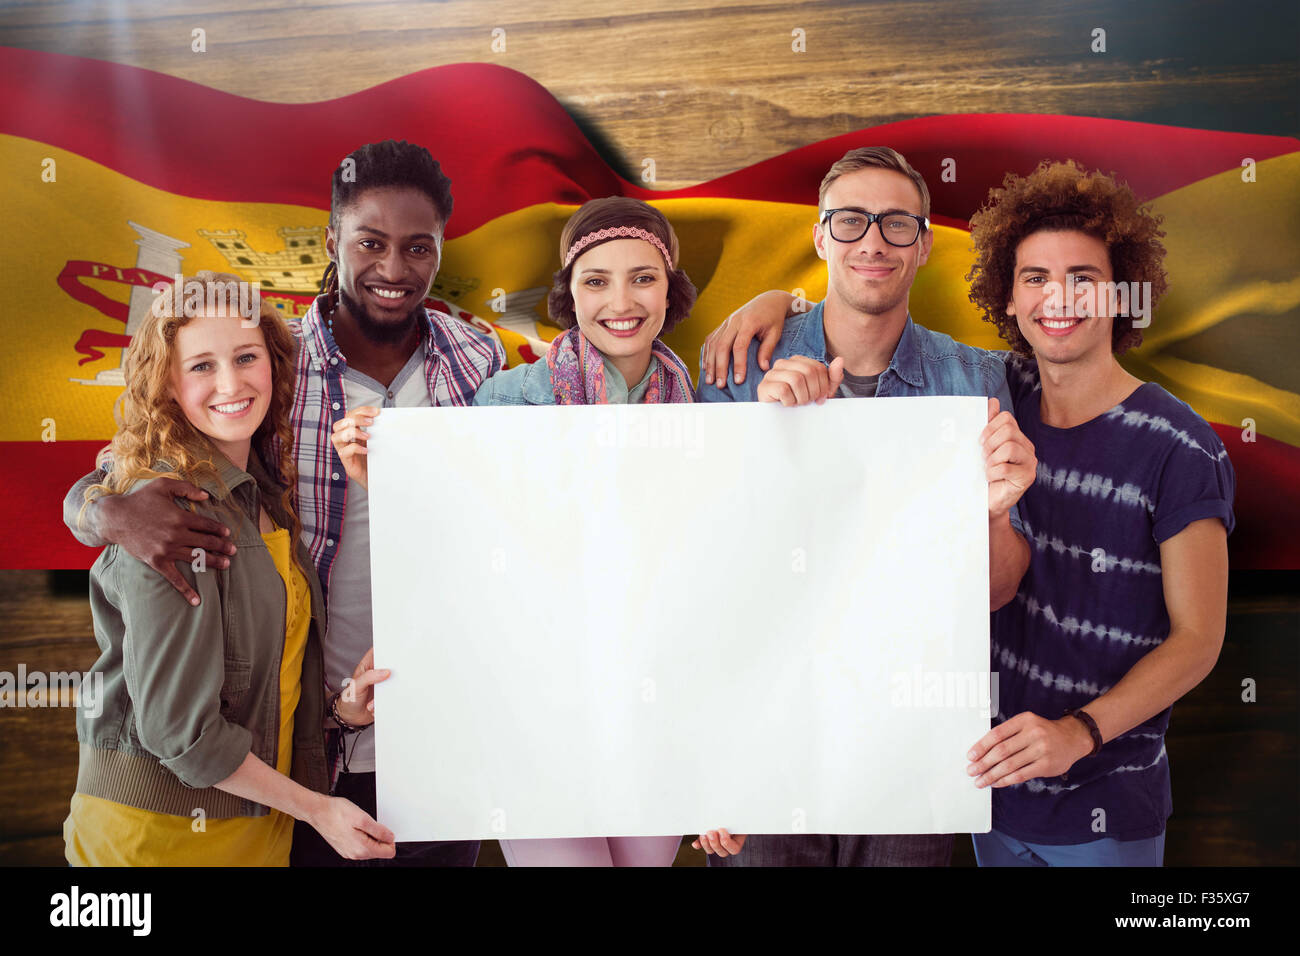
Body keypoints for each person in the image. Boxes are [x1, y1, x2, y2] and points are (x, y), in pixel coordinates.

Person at [62, 140, 502, 867]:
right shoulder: (271, 368)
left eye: (418, 247)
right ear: (333, 242)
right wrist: (107, 513)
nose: (394, 269)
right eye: (370, 243)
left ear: (441, 249)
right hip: (302, 748)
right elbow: (125, 466)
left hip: (442, 719)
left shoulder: (475, 356)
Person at [331, 196, 740, 865]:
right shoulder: (507, 399)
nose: (622, 300)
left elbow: (716, 587)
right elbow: (461, 540)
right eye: (596, 280)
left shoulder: (702, 409)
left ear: (672, 288)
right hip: (530, 707)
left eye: (643, 276)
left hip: (652, 709)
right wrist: (387, 478)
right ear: (569, 295)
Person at [692, 146, 1037, 867]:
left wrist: (995, 514)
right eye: (849, 222)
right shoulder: (735, 368)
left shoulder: (977, 383)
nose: (872, 241)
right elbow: (700, 576)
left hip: (912, 743)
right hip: (768, 739)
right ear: (820, 238)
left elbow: (999, 589)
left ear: (923, 243)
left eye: (894, 224)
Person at [64, 272, 394, 866]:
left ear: (273, 363)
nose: (231, 383)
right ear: (166, 382)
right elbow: (180, 734)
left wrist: (339, 709)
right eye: (200, 366)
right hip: (157, 838)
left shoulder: (263, 494)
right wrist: (319, 810)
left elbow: (256, 679)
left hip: (257, 826)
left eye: (246, 357)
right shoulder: (167, 509)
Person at [961, 160, 1233, 865]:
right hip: (985, 790)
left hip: (1107, 811)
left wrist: (1076, 733)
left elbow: (1198, 640)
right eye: (1036, 278)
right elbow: (885, 343)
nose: (1060, 297)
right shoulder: (993, 399)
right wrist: (784, 303)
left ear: (1122, 294)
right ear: (1009, 299)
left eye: (1083, 276)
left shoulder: (1180, 446)